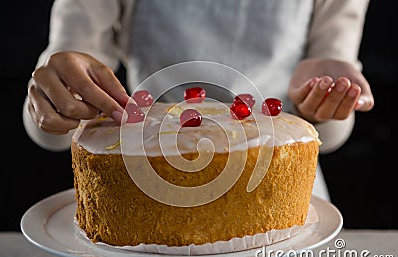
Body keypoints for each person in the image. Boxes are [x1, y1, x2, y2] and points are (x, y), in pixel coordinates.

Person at [23, 0, 374, 202]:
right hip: (145, 179)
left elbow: (332, 136)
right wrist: (55, 95)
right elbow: (63, 87)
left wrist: (324, 105)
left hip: (277, 181)